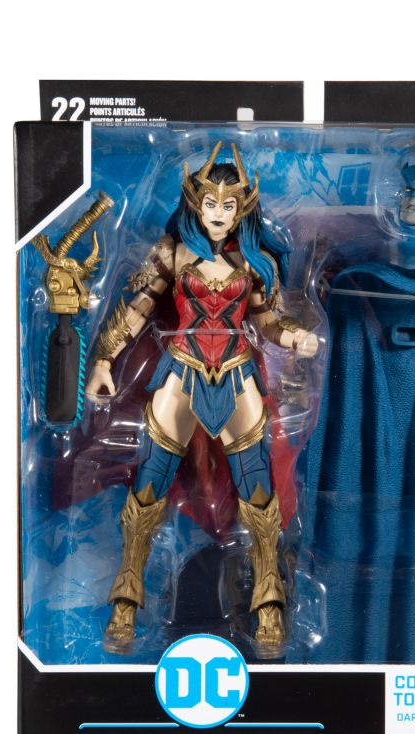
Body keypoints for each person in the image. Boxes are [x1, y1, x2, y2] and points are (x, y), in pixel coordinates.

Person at [86, 141, 318, 648]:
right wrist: (103, 359)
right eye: (210, 203)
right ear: (195, 203)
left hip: (236, 372)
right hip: (181, 369)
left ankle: (269, 607)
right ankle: (125, 603)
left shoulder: (255, 260)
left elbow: (268, 321)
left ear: (241, 209)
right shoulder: (171, 252)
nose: (218, 213)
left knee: (257, 492)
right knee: (149, 486)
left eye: (228, 205)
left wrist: (296, 336)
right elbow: (136, 310)